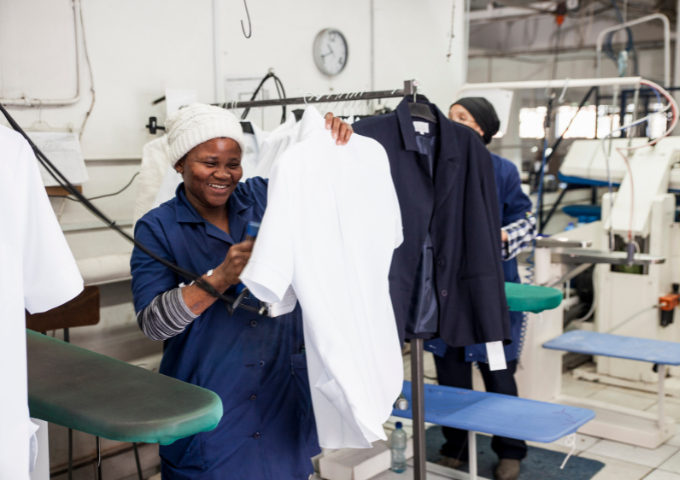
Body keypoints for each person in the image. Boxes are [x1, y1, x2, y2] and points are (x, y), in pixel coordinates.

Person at [130, 104, 353, 480]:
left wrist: (330, 140)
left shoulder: (264, 197)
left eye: (232, 163)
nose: (223, 174)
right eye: (209, 162)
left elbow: (325, 184)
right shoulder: (158, 227)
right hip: (210, 397)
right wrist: (219, 278)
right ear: (180, 164)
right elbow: (153, 323)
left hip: (281, 389)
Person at [435, 98, 536, 480]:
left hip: (492, 295)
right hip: (446, 297)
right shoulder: (432, 167)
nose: (452, 123)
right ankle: (454, 447)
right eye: (451, 117)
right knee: (451, 380)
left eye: (463, 118)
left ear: (483, 130)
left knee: (498, 378)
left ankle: (510, 450)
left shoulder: (502, 171)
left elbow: (527, 222)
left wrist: (498, 236)